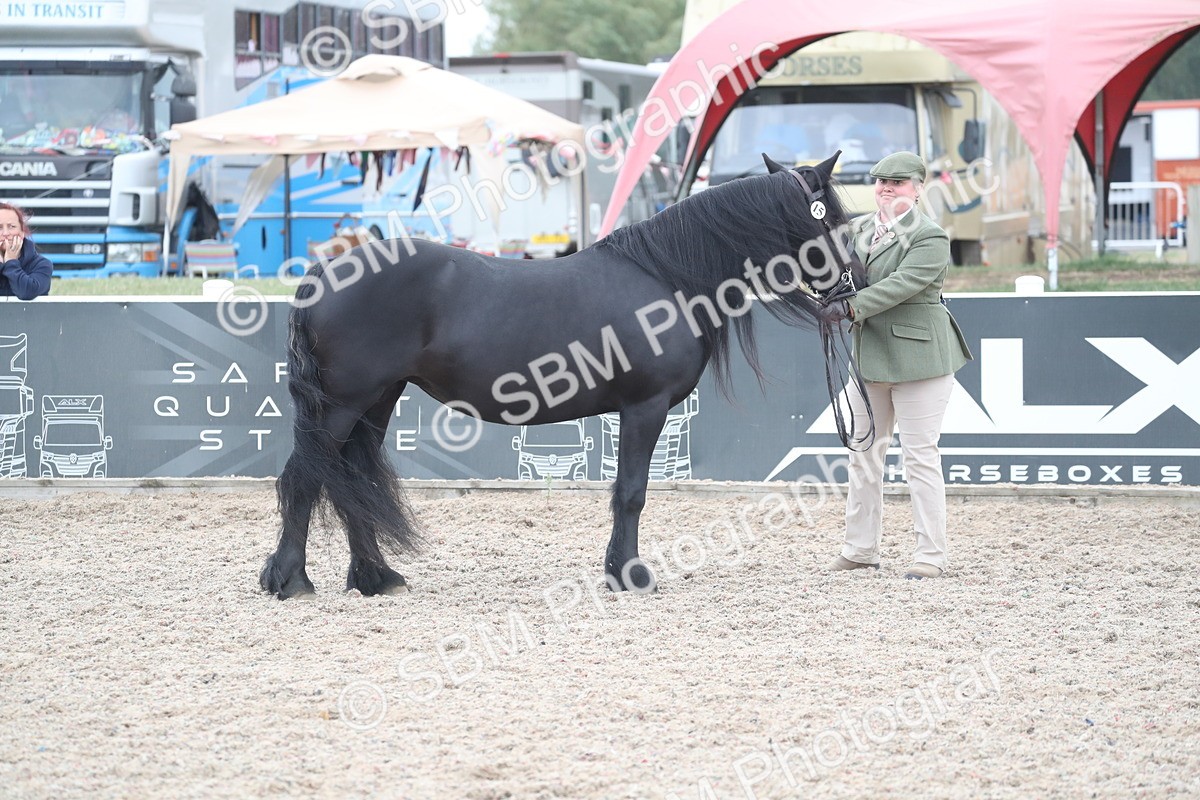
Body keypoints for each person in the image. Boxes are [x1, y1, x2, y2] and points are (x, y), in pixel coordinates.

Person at [817, 152, 972, 580]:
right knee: (863, 456)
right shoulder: (863, 228)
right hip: (869, 359)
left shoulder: (930, 236)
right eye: (881, 180)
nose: (886, 187)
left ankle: (931, 555)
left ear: (919, 188)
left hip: (919, 359)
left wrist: (848, 310)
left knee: (920, 457)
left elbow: (901, 286)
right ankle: (860, 548)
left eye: (897, 182)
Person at [1, 202, 53, 300]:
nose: (5, 233)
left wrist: (11, 262)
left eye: (11, 226)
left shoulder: (42, 265)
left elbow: (26, 292)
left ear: (22, 232)